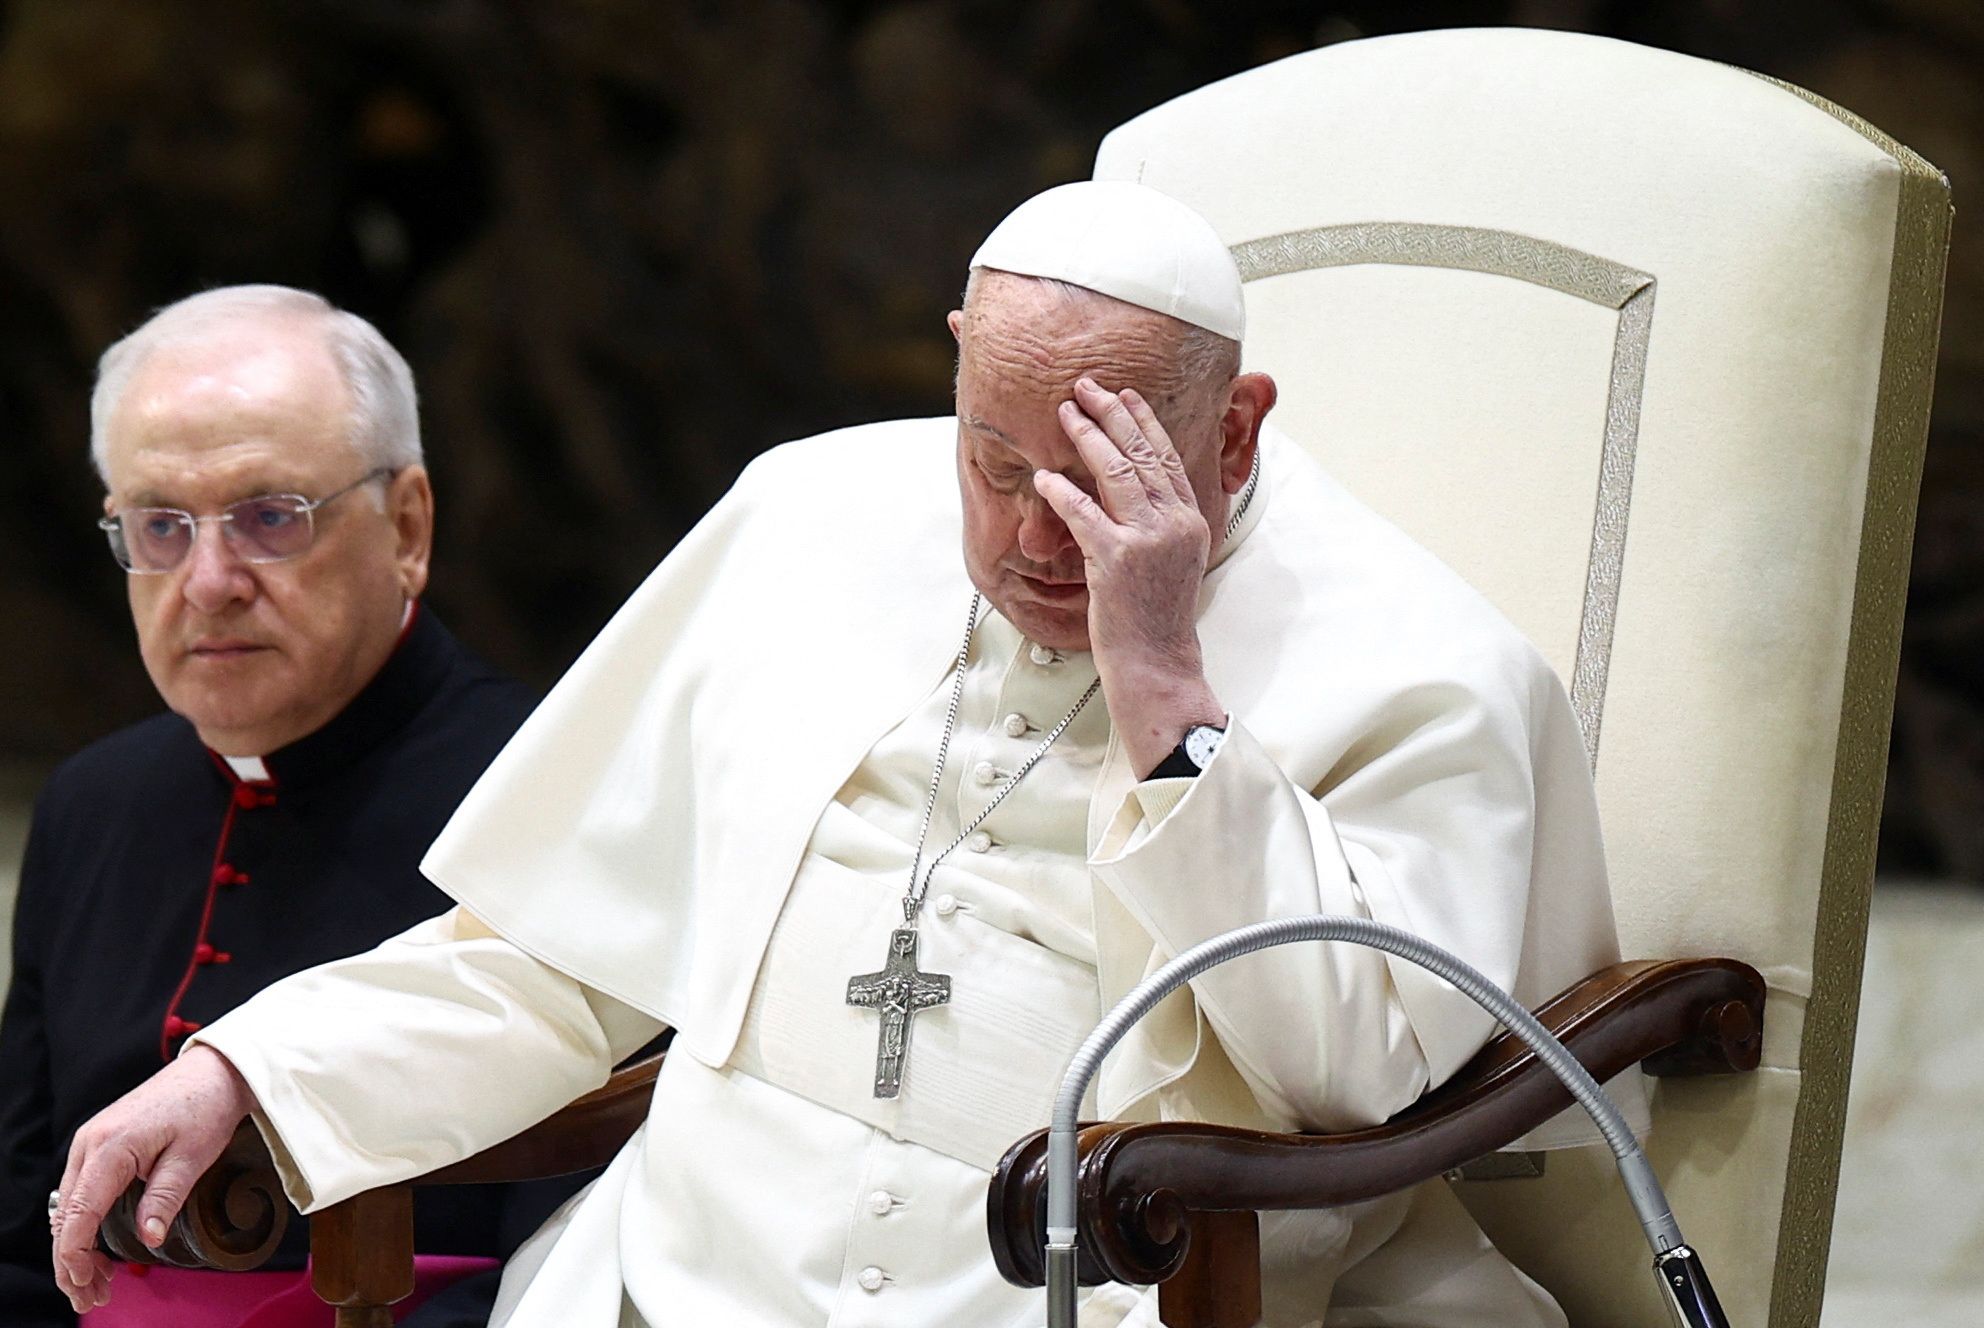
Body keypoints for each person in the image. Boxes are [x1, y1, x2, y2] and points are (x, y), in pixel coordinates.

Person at [50, 187, 1640, 1326]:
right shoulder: (803, 516)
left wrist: (1164, 689)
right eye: (991, 461)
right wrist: (257, 1059)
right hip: (678, 1274)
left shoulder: (1426, 664)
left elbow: (1350, 1073)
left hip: (1103, 1285)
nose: (1030, 539)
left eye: (1093, 474)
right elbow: (561, 964)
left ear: (1233, 432)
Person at [1, 285, 586, 1326]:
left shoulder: (554, 795)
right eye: (160, 525)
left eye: (271, 517)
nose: (210, 580)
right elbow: (15, 1228)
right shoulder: (94, 803)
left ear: (406, 525)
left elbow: (576, 1248)